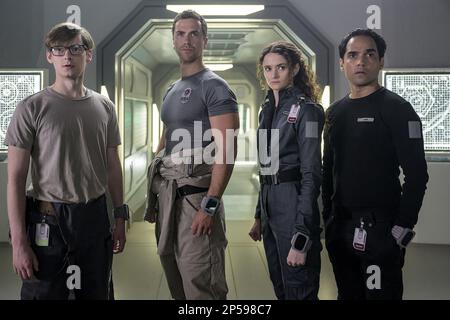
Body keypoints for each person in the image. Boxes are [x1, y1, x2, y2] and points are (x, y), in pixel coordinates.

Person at [5, 22, 128, 300]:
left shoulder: (104, 107)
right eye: (58, 50)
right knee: (45, 293)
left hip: (94, 219)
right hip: (48, 222)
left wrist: (120, 215)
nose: (67, 57)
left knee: (96, 292)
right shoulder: (31, 108)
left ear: (89, 54)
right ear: (49, 56)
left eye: (75, 48)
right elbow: (15, 180)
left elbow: (113, 166)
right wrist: (19, 243)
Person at [322, 28, 429, 300]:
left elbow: (417, 175)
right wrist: (328, 220)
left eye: (370, 54)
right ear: (342, 62)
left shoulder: (397, 109)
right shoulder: (334, 113)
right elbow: (327, 171)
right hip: (341, 229)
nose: (361, 62)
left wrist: (402, 226)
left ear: (381, 61)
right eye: (353, 55)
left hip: (381, 230)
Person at [144, 10, 239, 300]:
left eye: (194, 33)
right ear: (173, 40)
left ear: (204, 40)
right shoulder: (172, 89)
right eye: (181, 34)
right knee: (176, 280)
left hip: (197, 199)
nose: (187, 40)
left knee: (201, 284)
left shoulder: (215, 87)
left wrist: (209, 206)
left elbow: (227, 151)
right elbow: (168, 136)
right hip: (170, 197)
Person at [248, 41, 325, 300]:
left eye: (280, 67)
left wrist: (302, 231)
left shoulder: (308, 110)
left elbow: (312, 173)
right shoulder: (267, 111)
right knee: (281, 286)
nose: (274, 74)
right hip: (271, 207)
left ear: (294, 69)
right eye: (268, 69)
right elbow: (266, 168)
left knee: (298, 287)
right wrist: (260, 215)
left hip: (293, 204)